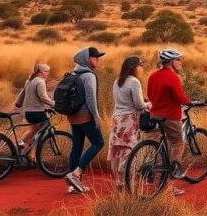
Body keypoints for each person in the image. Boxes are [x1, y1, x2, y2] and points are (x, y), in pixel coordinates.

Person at [147, 48, 192, 196]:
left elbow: (149, 94)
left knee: (166, 145)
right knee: (179, 142)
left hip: (155, 115)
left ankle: (165, 183)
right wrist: (190, 102)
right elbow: (180, 97)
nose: (181, 62)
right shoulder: (173, 77)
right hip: (170, 116)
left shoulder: (153, 76)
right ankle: (175, 170)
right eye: (178, 59)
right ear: (171, 62)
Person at [65, 46, 106, 194]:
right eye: (95, 57)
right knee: (99, 142)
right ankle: (76, 173)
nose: (98, 59)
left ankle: (73, 185)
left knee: (77, 147)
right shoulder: (88, 75)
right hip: (85, 116)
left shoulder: (74, 72)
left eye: (98, 57)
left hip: (73, 116)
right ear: (86, 59)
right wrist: (96, 116)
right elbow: (90, 98)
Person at [109, 55, 150, 189]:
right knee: (129, 150)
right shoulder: (134, 81)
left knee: (118, 150)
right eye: (140, 65)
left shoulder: (117, 81)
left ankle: (118, 181)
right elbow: (139, 105)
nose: (142, 68)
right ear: (134, 67)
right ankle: (127, 181)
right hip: (128, 120)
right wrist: (149, 104)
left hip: (116, 119)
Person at [12, 62, 54, 153]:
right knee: (42, 128)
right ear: (40, 72)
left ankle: (21, 149)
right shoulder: (40, 81)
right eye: (46, 71)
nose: (48, 73)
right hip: (36, 112)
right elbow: (43, 97)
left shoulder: (30, 80)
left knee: (32, 131)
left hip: (28, 112)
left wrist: (18, 103)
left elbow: (22, 93)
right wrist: (54, 104)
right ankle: (30, 152)